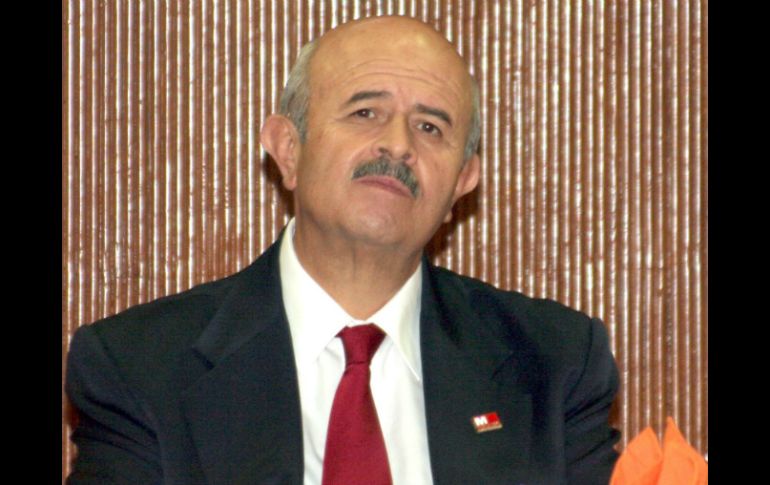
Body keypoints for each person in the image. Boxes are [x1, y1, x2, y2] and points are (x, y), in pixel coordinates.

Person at [65, 15, 620, 485]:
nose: (398, 145)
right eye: (365, 113)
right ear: (288, 150)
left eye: (430, 127)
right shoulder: (139, 369)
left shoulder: (554, 365)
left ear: (462, 182)